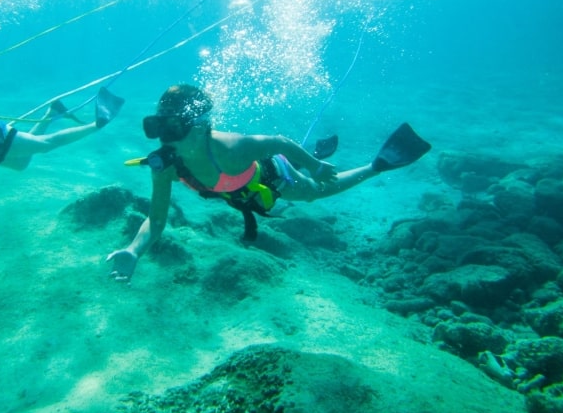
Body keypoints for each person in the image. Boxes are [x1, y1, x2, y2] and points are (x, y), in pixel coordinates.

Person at [106, 84, 431, 283]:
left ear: (201, 127)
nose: (166, 139)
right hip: (233, 193)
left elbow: (280, 142)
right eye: (159, 128)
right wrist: (135, 250)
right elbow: (157, 218)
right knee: (294, 190)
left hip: (270, 174)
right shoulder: (165, 165)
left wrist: (315, 166)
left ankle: (377, 165)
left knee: (314, 194)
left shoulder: (234, 149)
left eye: (174, 128)